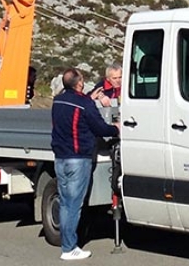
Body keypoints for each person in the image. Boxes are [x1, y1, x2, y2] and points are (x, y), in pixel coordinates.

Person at [51, 68, 120, 261]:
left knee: (65, 203)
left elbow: (76, 110)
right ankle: (69, 247)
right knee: (74, 204)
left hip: (61, 158)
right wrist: (116, 128)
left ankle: (67, 244)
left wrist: (90, 97)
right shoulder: (84, 103)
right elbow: (98, 127)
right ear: (79, 83)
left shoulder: (58, 101)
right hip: (78, 158)